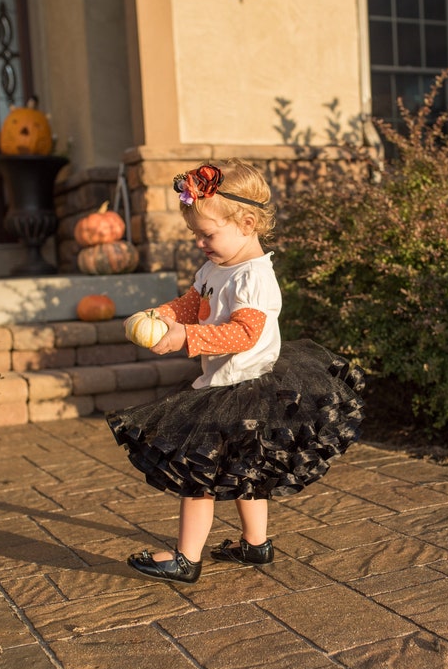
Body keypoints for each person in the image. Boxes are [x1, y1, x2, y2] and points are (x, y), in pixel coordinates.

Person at [106, 159, 364, 584]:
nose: (200, 244)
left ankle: (186, 559)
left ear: (246, 223)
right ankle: (255, 545)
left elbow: (244, 333)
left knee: (198, 474)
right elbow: (194, 304)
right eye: (195, 235)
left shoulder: (255, 277)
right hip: (228, 382)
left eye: (207, 235)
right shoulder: (215, 267)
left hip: (247, 387)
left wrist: (187, 338)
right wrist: (158, 315)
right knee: (248, 471)